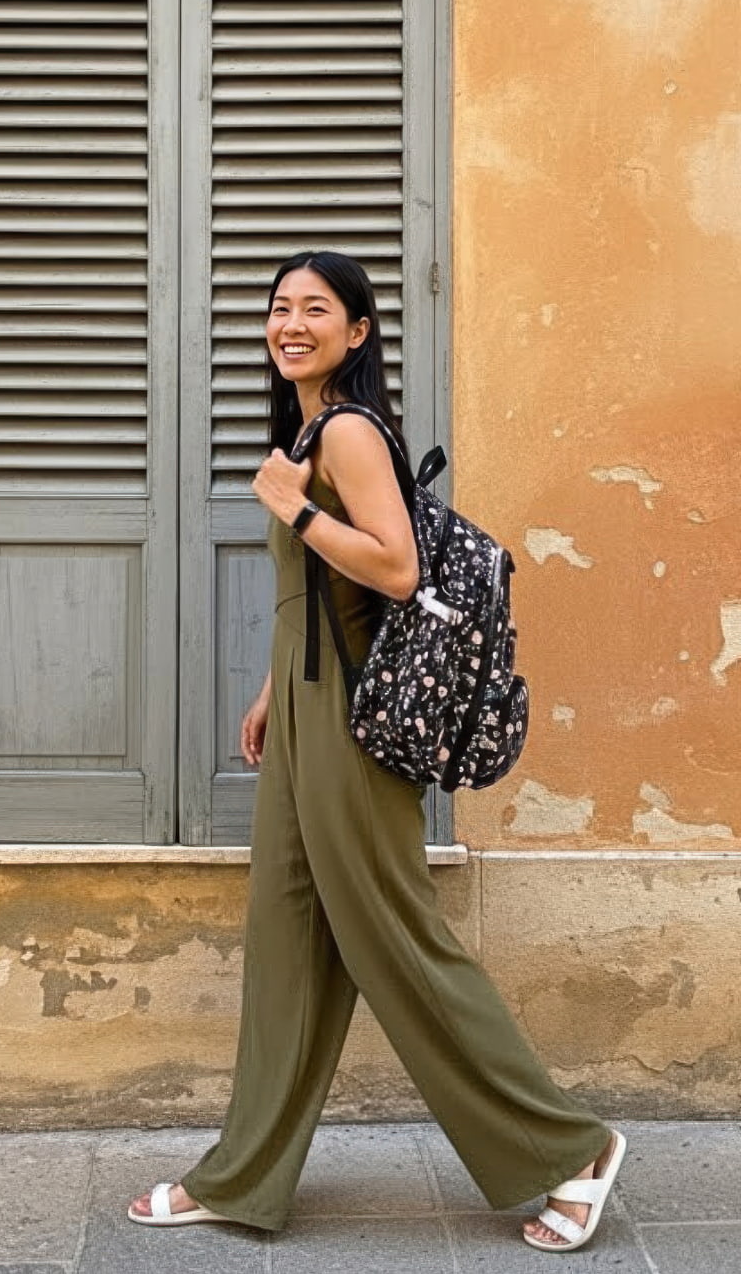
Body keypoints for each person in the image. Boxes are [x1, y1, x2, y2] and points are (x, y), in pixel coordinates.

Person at [128, 250, 626, 1252]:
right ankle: (244, 1173)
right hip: (313, 704)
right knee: (288, 944)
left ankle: (569, 1149)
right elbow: (324, 595)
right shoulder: (308, 429)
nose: (290, 323)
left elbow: (395, 571)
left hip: (355, 726)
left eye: (317, 308)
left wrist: (295, 508)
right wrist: (275, 686)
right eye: (279, 308)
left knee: (395, 940)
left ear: (358, 333)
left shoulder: (348, 432)